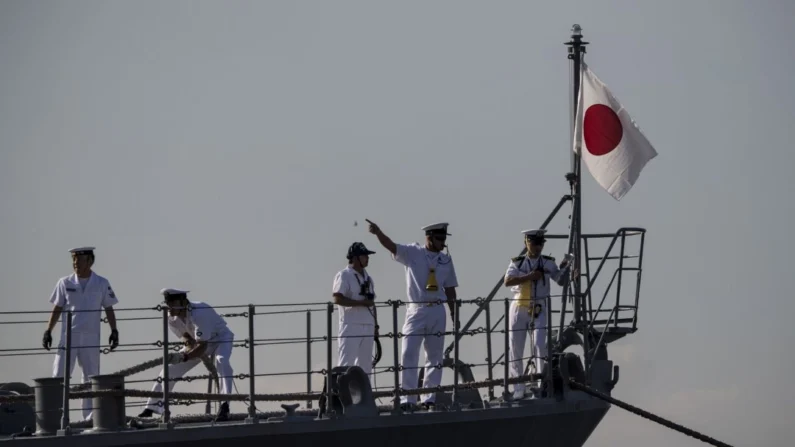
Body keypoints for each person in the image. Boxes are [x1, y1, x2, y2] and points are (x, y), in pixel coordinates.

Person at [366, 219, 458, 409]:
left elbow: (450, 289)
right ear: (429, 238)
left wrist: (454, 313)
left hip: (437, 309)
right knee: (408, 352)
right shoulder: (413, 253)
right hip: (417, 309)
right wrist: (378, 233)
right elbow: (391, 246)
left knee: (434, 355)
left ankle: (429, 398)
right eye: (439, 238)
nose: (443, 242)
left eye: (444, 239)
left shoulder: (446, 260)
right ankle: (408, 398)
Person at [42, 246, 119, 421]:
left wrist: (114, 331)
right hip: (68, 336)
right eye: (74, 260)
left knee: (91, 378)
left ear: (90, 261)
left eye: (79, 260)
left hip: (91, 337)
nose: (75, 263)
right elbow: (57, 308)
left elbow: (109, 307)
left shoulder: (101, 283)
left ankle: (89, 418)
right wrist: (48, 331)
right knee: (59, 375)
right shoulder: (65, 282)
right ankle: (55, 417)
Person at [138, 289, 235, 422]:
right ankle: (152, 407)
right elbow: (185, 336)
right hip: (198, 342)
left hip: (220, 339)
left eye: (172, 303)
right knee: (170, 368)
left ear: (183, 302)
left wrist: (185, 357)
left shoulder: (199, 313)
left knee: (221, 361)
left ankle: (225, 405)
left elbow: (203, 346)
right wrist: (186, 349)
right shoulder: (170, 316)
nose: (169, 306)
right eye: (168, 303)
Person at [503, 229, 572, 399]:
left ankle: (542, 384)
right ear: (527, 243)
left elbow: (560, 280)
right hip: (520, 305)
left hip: (539, 306)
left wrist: (567, 270)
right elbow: (507, 281)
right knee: (515, 348)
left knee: (540, 345)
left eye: (541, 244)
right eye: (535, 243)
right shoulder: (517, 263)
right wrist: (529, 276)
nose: (538, 247)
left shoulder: (548, 263)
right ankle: (518, 386)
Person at [332, 242, 378, 376]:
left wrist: (376, 325)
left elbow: (372, 303)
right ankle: (342, 396)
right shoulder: (344, 275)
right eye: (364, 256)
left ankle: (365, 396)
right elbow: (337, 298)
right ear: (355, 257)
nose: (367, 258)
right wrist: (360, 303)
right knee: (346, 364)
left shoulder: (368, 278)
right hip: (350, 324)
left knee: (366, 367)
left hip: (368, 324)